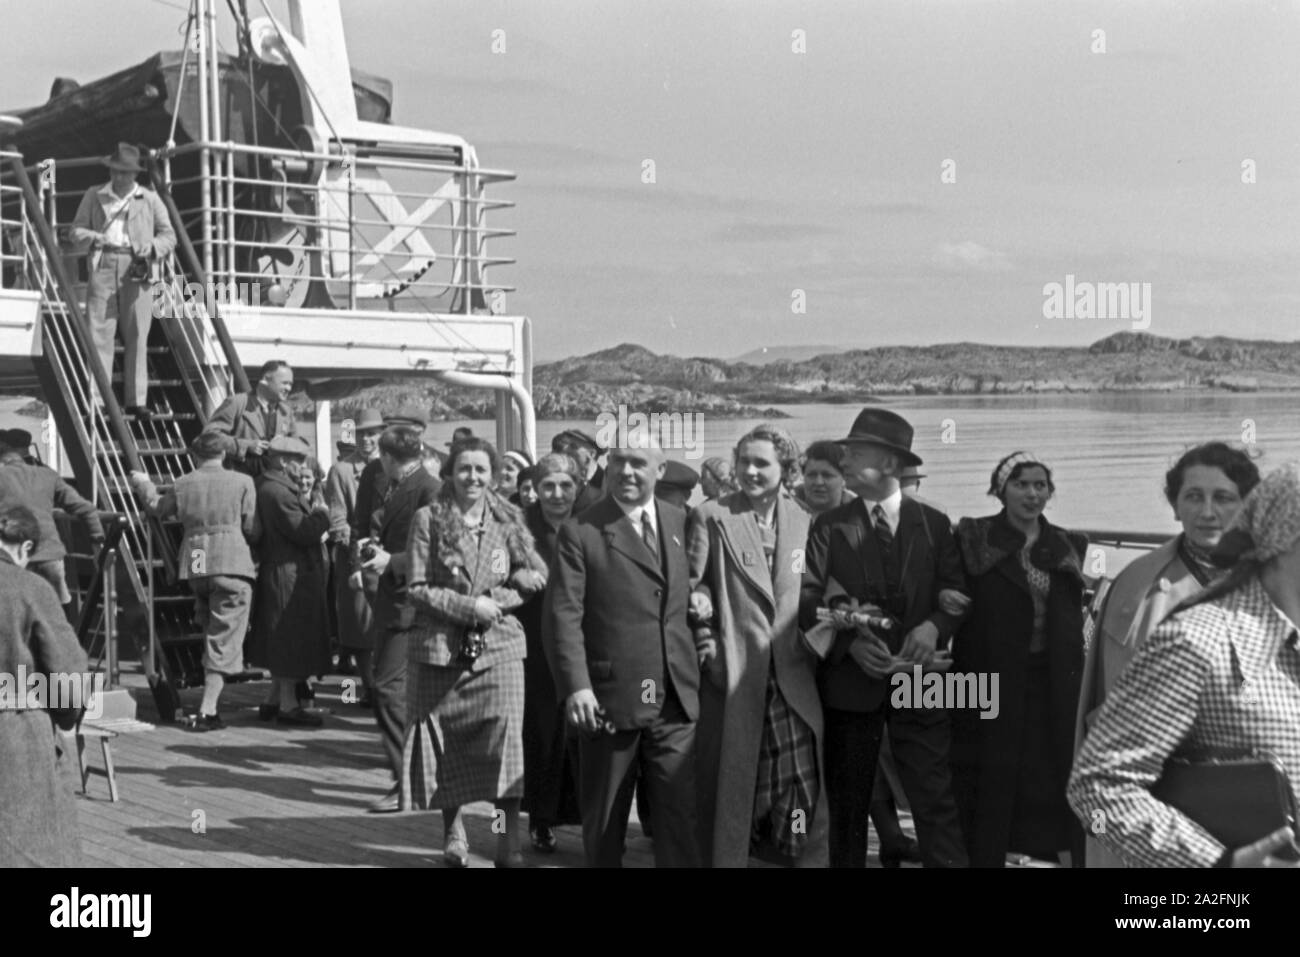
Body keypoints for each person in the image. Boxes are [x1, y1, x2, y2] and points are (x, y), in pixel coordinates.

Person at [1068, 462, 1300, 868]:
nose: (1207, 511)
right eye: (1193, 496)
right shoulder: (1159, 608)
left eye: (1223, 498)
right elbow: (1099, 773)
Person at [799, 408, 969, 868]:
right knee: (849, 807)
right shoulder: (828, 526)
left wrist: (935, 626)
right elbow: (809, 596)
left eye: (857, 452)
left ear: (891, 465)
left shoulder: (934, 524)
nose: (845, 458)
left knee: (934, 799)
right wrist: (849, 643)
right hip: (852, 682)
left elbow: (955, 592)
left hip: (923, 679)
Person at [544, 436, 702, 868]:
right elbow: (563, 616)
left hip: (672, 694)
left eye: (637, 463)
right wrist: (576, 687)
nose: (626, 472)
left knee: (679, 817)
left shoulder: (679, 520)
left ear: (660, 470)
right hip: (610, 698)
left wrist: (700, 597)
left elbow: (684, 587)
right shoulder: (581, 531)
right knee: (606, 819)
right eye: (617, 462)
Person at [399, 437, 546, 867]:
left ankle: (506, 841)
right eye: (464, 469)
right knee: (447, 746)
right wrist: (468, 606)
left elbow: (535, 572)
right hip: (441, 648)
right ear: (449, 473)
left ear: (494, 474)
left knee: (505, 750)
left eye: (482, 470)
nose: (473, 478)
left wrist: (502, 597)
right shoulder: (428, 518)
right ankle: (454, 832)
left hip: (498, 647)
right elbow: (417, 587)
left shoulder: (507, 517)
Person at [688, 424, 828, 867]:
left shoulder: (805, 518)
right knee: (740, 781)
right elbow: (693, 589)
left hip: (792, 672)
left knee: (801, 780)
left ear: (785, 469)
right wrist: (708, 647)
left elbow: (813, 590)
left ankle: (792, 854)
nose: (749, 471)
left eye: (761, 463)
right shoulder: (712, 515)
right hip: (736, 672)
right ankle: (739, 855)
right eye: (743, 461)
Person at [951, 452, 1087, 867]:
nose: (1032, 493)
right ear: (1000, 490)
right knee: (990, 765)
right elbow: (952, 587)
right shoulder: (973, 537)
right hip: (988, 675)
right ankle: (986, 854)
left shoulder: (1067, 543)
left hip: (1053, 678)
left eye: (1040, 485)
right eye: (1021, 484)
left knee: (1050, 765)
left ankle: (1050, 853)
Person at [130, 432, 259, 730]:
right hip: (231, 560)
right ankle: (208, 709)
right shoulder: (242, 482)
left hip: (198, 559)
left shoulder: (184, 483)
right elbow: (252, 527)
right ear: (224, 455)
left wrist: (143, 483)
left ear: (194, 455)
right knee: (223, 636)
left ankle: (208, 697)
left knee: (208, 626)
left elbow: (156, 507)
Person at [0, 504, 90, 866]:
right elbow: (67, 674)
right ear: (23, 549)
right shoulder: (29, 587)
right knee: (27, 843)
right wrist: (67, 715)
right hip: (14, 735)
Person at [359, 425, 441, 813]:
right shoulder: (405, 485)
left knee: (388, 690)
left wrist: (389, 560)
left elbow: (441, 552)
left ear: (389, 457)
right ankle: (416, 778)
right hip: (395, 601)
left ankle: (409, 781)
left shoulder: (429, 489)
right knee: (399, 692)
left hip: (411, 604)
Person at [68, 142, 176, 418]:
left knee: (138, 333)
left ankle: (136, 401)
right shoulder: (95, 195)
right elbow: (75, 231)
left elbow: (169, 236)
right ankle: (98, 400)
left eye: (124, 173)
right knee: (98, 333)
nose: (117, 177)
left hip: (137, 268)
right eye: (115, 171)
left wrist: (150, 248)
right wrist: (94, 237)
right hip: (104, 263)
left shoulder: (150, 198)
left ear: (135, 175)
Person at [518, 453, 584, 853]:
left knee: (581, 735)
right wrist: (514, 572)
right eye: (548, 486)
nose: (557, 495)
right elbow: (492, 562)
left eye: (566, 486)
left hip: (583, 642)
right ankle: (541, 819)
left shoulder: (591, 522)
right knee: (542, 734)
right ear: (536, 489)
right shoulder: (518, 524)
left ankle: (590, 818)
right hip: (536, 643)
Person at [248, 435, 331, 727]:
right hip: (289, 572)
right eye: (297, 460)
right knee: (289, 636)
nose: (302, 466)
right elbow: (304, 531)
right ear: (284, 462)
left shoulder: (266, 486)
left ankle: (274, 699)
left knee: (281, 636)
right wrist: (323, 514)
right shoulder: (280, 492)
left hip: (281, 569)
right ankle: (288, 704)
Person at [326, 408, 385, 707]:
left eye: (373, 433)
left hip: (389, 555)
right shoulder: (341, 471)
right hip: (355, 554)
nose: (367, 439)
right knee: (358, 625)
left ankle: (386, 683)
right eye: (362, 433)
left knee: (386, 623)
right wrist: (357, 554)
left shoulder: (394, 467)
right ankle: (369, 687)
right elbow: (337, 518)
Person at [0, 446, 104, 605]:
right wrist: (97, 542)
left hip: (14, 557)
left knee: (16, 613)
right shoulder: (48, 475)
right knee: (59, 611)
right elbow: (85, 508)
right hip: (50, 555)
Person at [203, 360, 297, 477]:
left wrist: (284, 444)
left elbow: (296, 444)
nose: (288, 388)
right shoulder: (237, 403)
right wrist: (245, 446)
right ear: (265, 380)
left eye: (291, 384)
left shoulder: (286, 412)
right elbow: (208, 438)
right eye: (284, 383)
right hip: (239, 482)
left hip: (273, 486)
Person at [795, 440, 856, 514]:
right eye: (812, 475)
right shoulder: (785, 510)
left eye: (827, 476)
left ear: (844, 479)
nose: (818, 482)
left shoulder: (860, 515)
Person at [554, 429, 606, 511]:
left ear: (592, 454)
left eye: (573, 446)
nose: (566, 450)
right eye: (568, 445)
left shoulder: (605, 483)